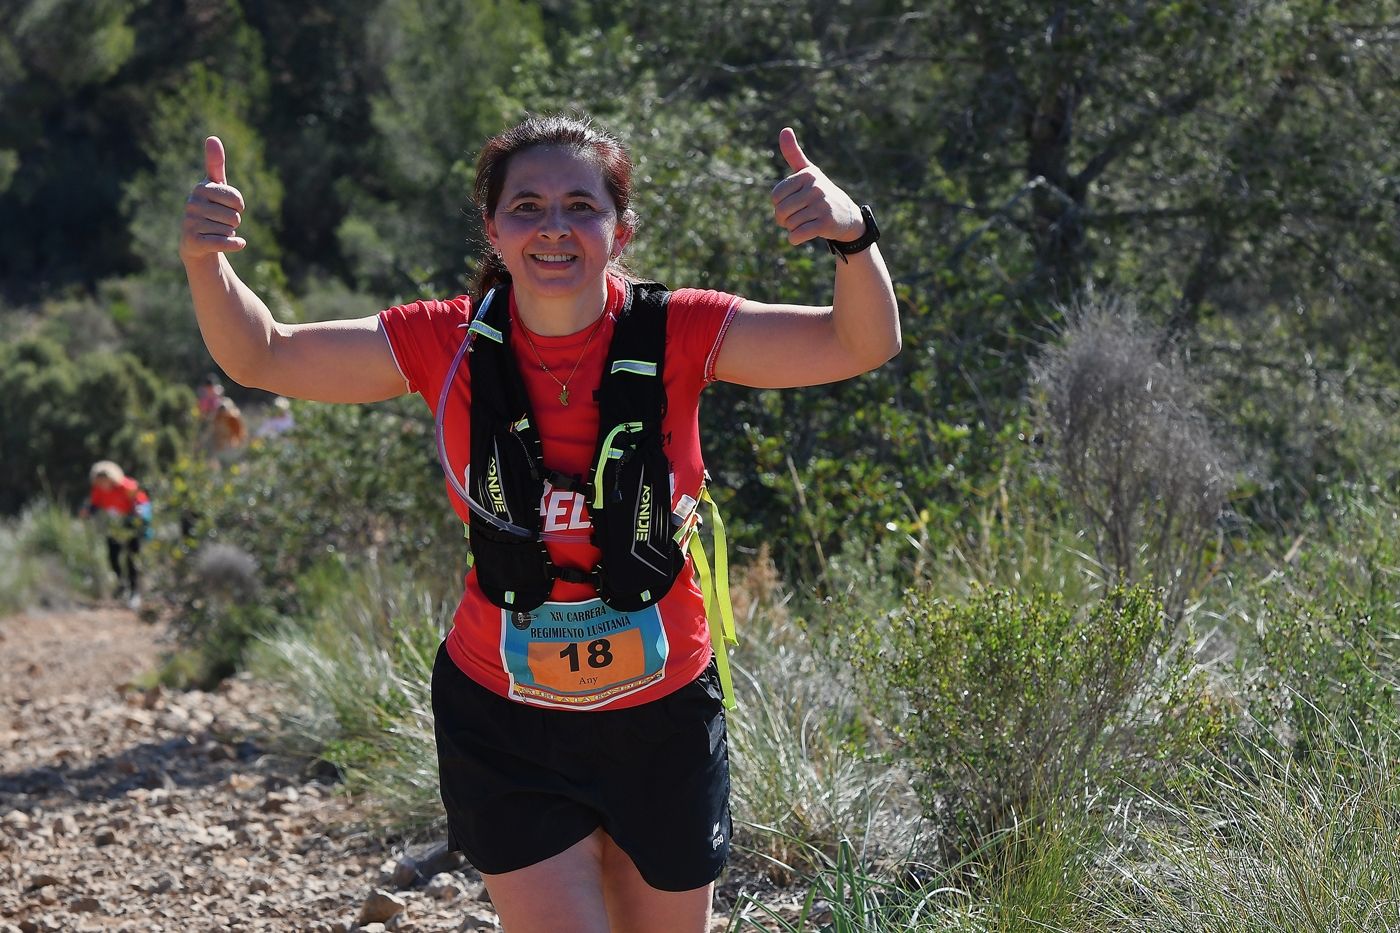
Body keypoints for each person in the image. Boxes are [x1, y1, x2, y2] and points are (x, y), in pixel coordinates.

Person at [179, 113, 898, 933]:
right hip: (506, 715)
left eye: (579, 206)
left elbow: (859, 343)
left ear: (618, 229)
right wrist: (205, 261)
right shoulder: (443, 340)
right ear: (492, 226)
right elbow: (263, 354)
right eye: (526, 205)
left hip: (660, 715)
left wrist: (853, 235)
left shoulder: (680, 330)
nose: (553, 227)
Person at [80, 461, 152, 610]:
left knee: (132, 558)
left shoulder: (127, 486)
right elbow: (95, 504)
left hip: (131, 524)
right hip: (115, 526)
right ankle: (122, 583)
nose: (102, 484)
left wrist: (138, 514)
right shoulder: (98, 489)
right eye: (99, 481)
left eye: (104, 480)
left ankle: (135, 592)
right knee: (112, 556)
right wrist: (87, 511)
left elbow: (142, 502)